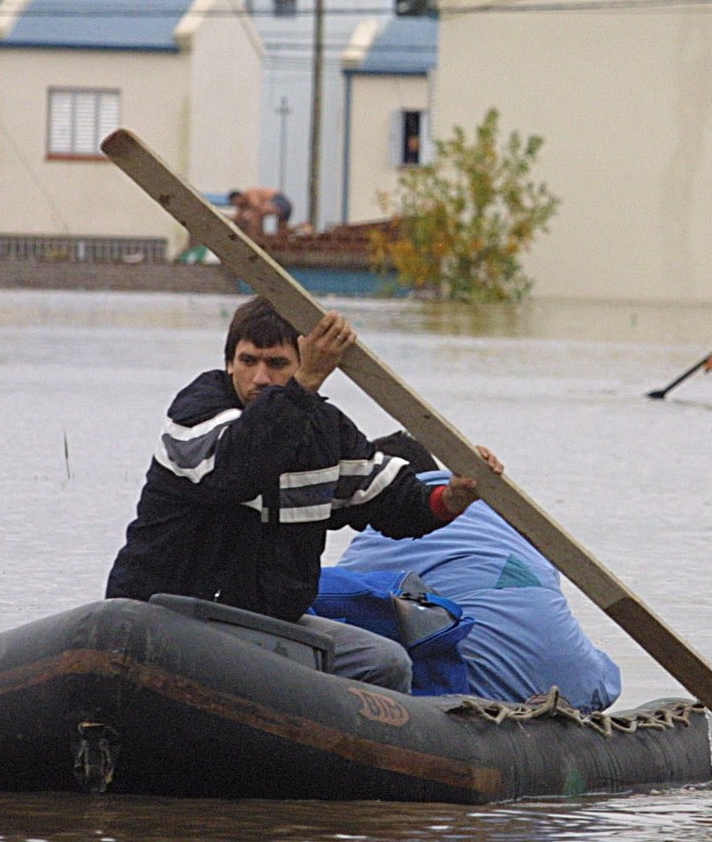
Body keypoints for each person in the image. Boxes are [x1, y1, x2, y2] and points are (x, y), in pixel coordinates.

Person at [105, 295, 504, 694]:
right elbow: (237, 469)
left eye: (277, 364)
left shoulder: (325, 432)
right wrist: (302, 386)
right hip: (168, 618)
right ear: (230, 364)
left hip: (263, 626)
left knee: (384, 663)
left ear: (301, 363)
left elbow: (394, 500)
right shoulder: (196, 413)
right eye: (248, 361)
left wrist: (452, 498)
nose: (260, 377)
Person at [332, 456, 623, 711]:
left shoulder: (382, 531)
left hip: (473, 700)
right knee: (599, 665)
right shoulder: (514, 524)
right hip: (581, 689)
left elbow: (337, 603)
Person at [227, 187, 294, 238]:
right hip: (284, 209)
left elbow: (256, 207)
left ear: (238, 197)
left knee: (255, 215)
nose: (237, 206)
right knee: (281, 233)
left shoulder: (250, 193)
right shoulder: (242, 205)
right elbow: (237, 218)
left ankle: (257, 236)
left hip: (279, 201)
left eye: (236, 203)